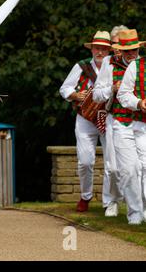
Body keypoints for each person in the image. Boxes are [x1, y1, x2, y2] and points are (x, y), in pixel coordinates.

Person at [59, 31, 112, 212]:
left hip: (108, 117)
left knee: (110, 162)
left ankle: (108, 202)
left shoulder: (115, 67)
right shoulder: (82, 67)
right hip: (85, 118)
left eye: (104, 49)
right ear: (92, 49)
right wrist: (75, 95)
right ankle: (85, 196)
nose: (100, 52)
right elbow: (65, 88)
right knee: (85, 161)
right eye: (97, 48)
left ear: (109, 50)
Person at [93, 26, 133, 218]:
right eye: (116, 44)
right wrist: (112, 88)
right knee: (113, 166)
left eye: (122, 45)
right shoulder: (109, 63)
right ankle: (112, 201)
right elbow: (96, 94)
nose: (119, 48)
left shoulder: (139, 64)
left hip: (137, 119)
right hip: (114, 117)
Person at [115, 29, 146, 224]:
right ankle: (135, 214)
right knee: (129, 169)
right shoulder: (136, 67)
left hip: (143, 126)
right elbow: (123, 94)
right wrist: (139, 103)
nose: (130, 53)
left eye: (133, 49)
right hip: (122, 124)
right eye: (126, 50)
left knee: (145, 167)